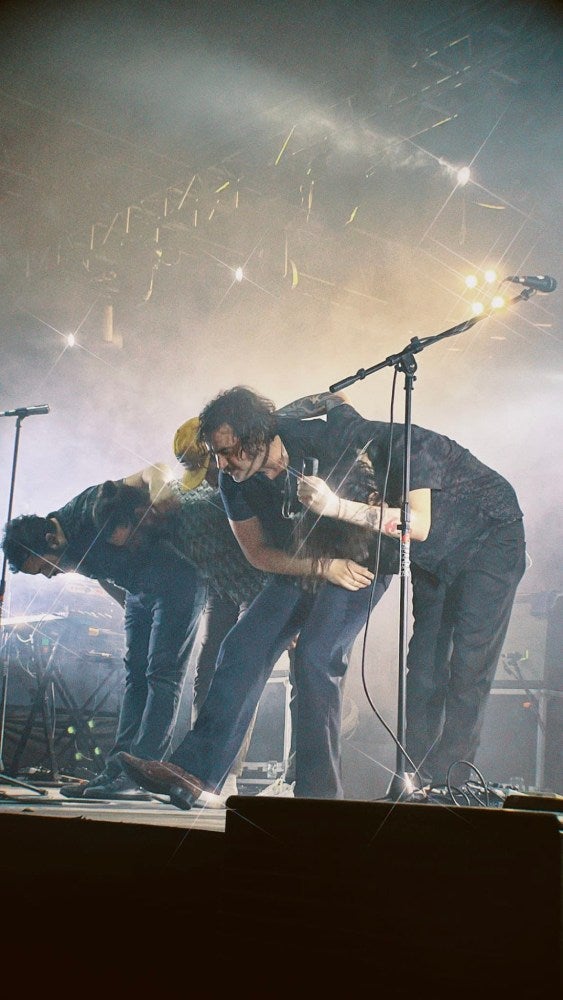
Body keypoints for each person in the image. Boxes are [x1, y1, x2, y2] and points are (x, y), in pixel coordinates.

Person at [117, 385, 401, 807]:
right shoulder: (234, 484)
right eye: (216, 454)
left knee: (315, 657)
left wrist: (332, 406)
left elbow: (348, 416)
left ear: (259, 437)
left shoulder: (318, 439)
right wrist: (321, 567)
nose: (222, 464)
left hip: (364, 556)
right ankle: (197, 773)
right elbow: (258, 553)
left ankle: (318, 796)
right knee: (242, 645)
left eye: (230, 451)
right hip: (309, 561)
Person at [295, 393, 527, 788]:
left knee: (469, 663)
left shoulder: (412, 444)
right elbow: (333, 399)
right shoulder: (345, 435)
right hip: (435, 558)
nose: (367, 497)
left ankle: (448, 781)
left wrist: (335, 506)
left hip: (492, 542)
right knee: (423, 667)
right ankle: (413, 777)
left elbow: (416, 524)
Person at [2, 468, 209, 801]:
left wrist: (164, 495)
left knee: (162, 675)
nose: (49, 575)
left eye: (43, 567)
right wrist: (128, 607)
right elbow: (98, 570)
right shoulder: (66, 548)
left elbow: (153, 470)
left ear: (49, 541)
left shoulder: (88, 505)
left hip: (177, 582)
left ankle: (143, 773)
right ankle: (117, 770)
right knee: (135, 678)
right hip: (139, 594)